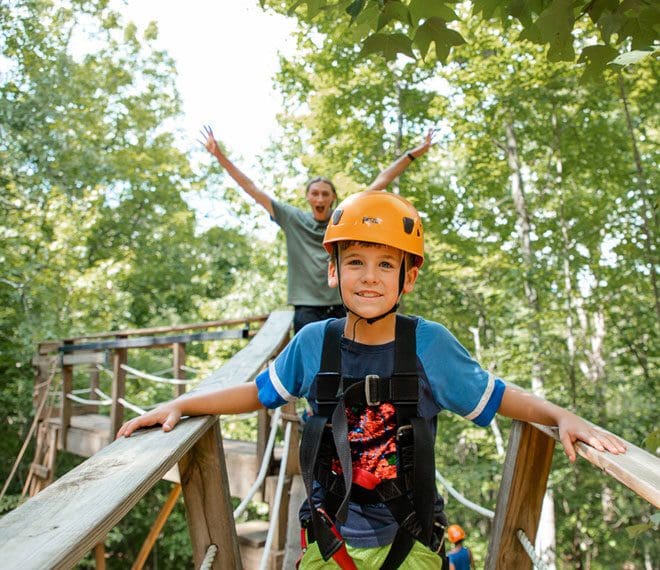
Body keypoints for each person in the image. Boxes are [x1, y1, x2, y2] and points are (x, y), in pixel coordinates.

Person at [117, 191, 626, 569]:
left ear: (409, 277)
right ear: (333, 271)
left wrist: (560, 416)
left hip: (410, 540)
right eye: (355, 261)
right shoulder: (315, 342)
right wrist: (185, 404)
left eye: (387, 264)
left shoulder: (429, 346)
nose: (369, 277)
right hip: (328, 538)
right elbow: (258, 393)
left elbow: (495, 394)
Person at [200, 125, 435, 332]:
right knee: (311, 366)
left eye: (325, 194)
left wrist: (414, 154)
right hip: (307, 307)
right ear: (308, 197)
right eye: (315, 193)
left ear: (333, 198)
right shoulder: (293, 219)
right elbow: (251, 188)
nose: (320, 198)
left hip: (343, 303)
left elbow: (381, 181)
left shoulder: (344, 219)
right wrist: (219, 156)